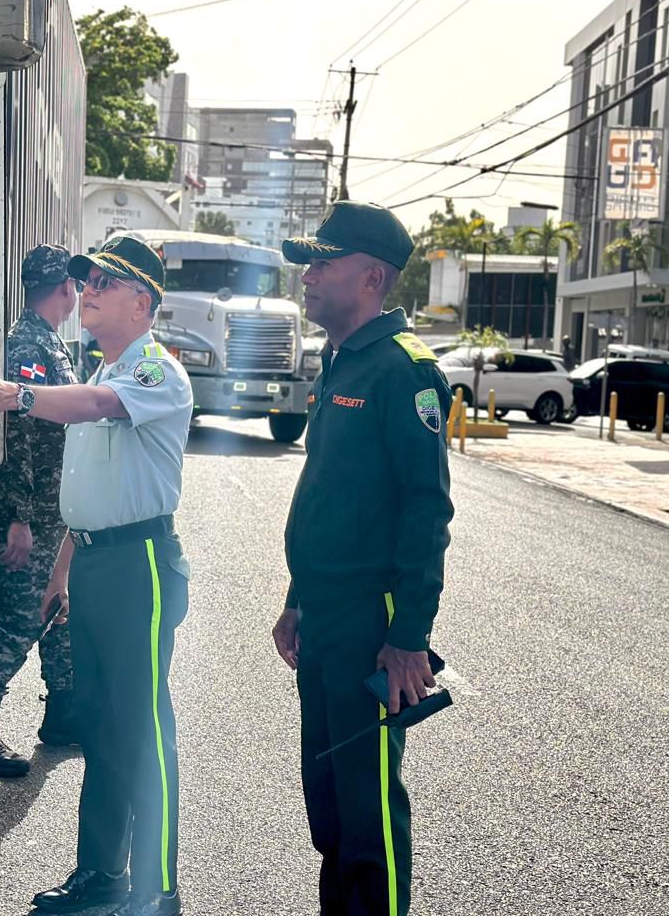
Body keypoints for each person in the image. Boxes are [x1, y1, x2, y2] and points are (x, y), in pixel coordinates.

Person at [0, 235, 192, 916]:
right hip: (92, 560)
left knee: (142, 731)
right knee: (100, 730)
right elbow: (84, 489)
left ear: (142, 301)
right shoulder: (100, 369)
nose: (86, 291)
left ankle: (156, 889)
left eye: (105, 283)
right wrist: (64, 567)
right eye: (84, 282)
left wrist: (12, 394)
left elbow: (93, 409)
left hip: (139, 567)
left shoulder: (152, 373)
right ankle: (100, 876)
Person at [270, 201, 454, 916]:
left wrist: (407, 637)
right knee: (330, 803)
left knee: (368, 807)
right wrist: (298, 596)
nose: (307, 277)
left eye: (323, 263)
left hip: (370, 622)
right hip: (324, 613)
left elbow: (425, 512)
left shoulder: (403, 373)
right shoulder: (341, 357)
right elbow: (328, 494)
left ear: (372, 277)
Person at [0, 244, 81, 778]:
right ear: (66, 290)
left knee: (59, 609)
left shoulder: (47, 342)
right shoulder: (27, 347)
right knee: (20, 619)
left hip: (54, 509)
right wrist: (16, 518)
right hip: (33, 511)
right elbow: (15, 439)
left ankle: (65, 713)